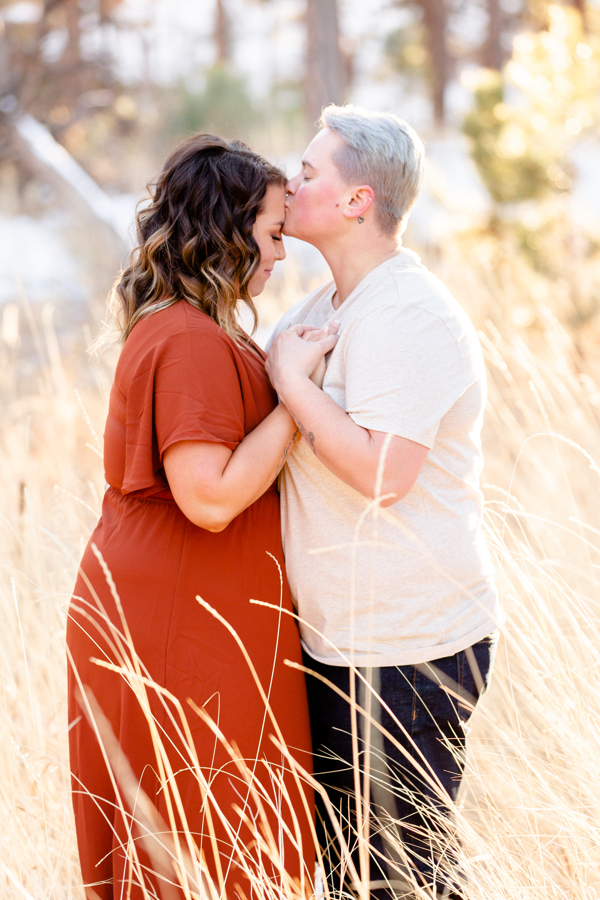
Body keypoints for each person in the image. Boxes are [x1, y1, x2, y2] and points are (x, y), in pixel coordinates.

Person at [67, 134, 337, 900]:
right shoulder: (187, 336)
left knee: (209, 844)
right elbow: (209, 496)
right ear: (227, 225)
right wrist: (294, 394)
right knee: (196, 845)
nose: (282, 255)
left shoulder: (203, 326)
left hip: (187, 608)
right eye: (275, 234)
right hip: (176, 621)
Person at [266, 105, 502, 899]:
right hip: (342, 645)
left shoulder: (408, 313)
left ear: (358, 201)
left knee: (404, 881)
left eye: (309, 172)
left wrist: (292, 384)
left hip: (410, 649)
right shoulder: (321, 311)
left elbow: (383, 475)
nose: (290, 181)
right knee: (351, 878)